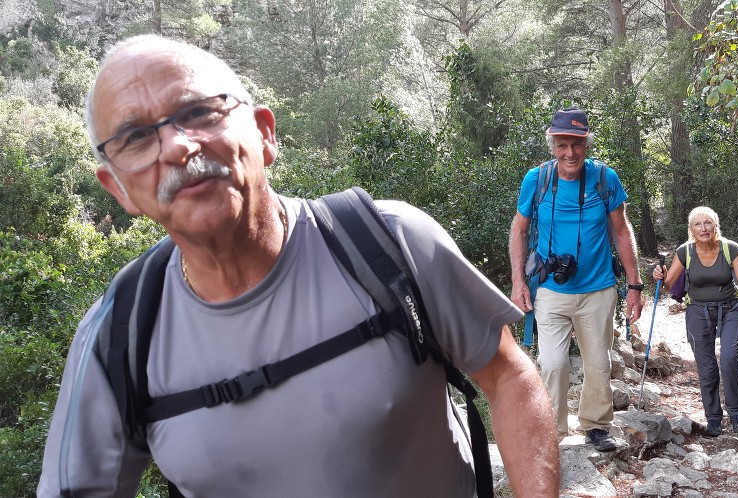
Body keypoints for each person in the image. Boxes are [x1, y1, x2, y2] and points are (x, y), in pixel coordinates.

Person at [37, 35, 559, 497]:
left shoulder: (391, 243)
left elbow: (508, 376)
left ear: (265, 133)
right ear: (118, 189)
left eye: (198, 112)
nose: (176, 145)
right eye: (135, 137)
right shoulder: (118, 336)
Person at [508, 108, 644, 452]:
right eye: (562, 145)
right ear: (553, 145)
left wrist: (634, 285)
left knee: (598, 362)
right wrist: (518, 282)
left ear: (587, 144)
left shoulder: (604, 178)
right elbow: (519, 229)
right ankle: (551, 431)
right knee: (552, 363)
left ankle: (597, 426)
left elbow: (621, 230)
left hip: (598, 289)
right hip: (551, 289)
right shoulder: (536, 180)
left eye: (577, 144)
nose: (570, 153)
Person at [653, 206, 738, 436]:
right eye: (698, 224)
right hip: (698, 311)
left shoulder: (730, 249)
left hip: (731, 308)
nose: (703, 228)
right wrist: (659, 277)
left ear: (715, 225)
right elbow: (667, 286)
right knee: (707, 365)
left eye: (708, 223)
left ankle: (737, 414)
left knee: (730, 359)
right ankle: (713, 419)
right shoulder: (685, 252)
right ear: (691, 229)